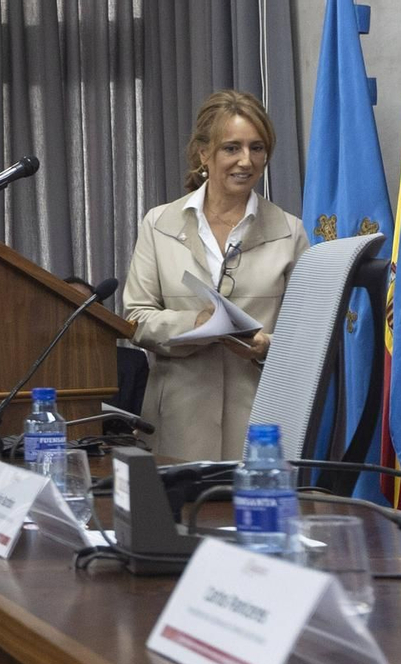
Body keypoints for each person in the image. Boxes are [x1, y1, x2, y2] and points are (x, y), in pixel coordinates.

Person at [123, 90, 308, 461]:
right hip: (175, 424)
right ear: (203, 153)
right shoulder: (159, 224)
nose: (246, 160)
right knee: (178, 518)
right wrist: (197, 323)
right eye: (232, 148)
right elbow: (136, 319)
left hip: (260, 426)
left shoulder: (290, 232)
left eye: (257, 148)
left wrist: (266, 345)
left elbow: (307, 338)